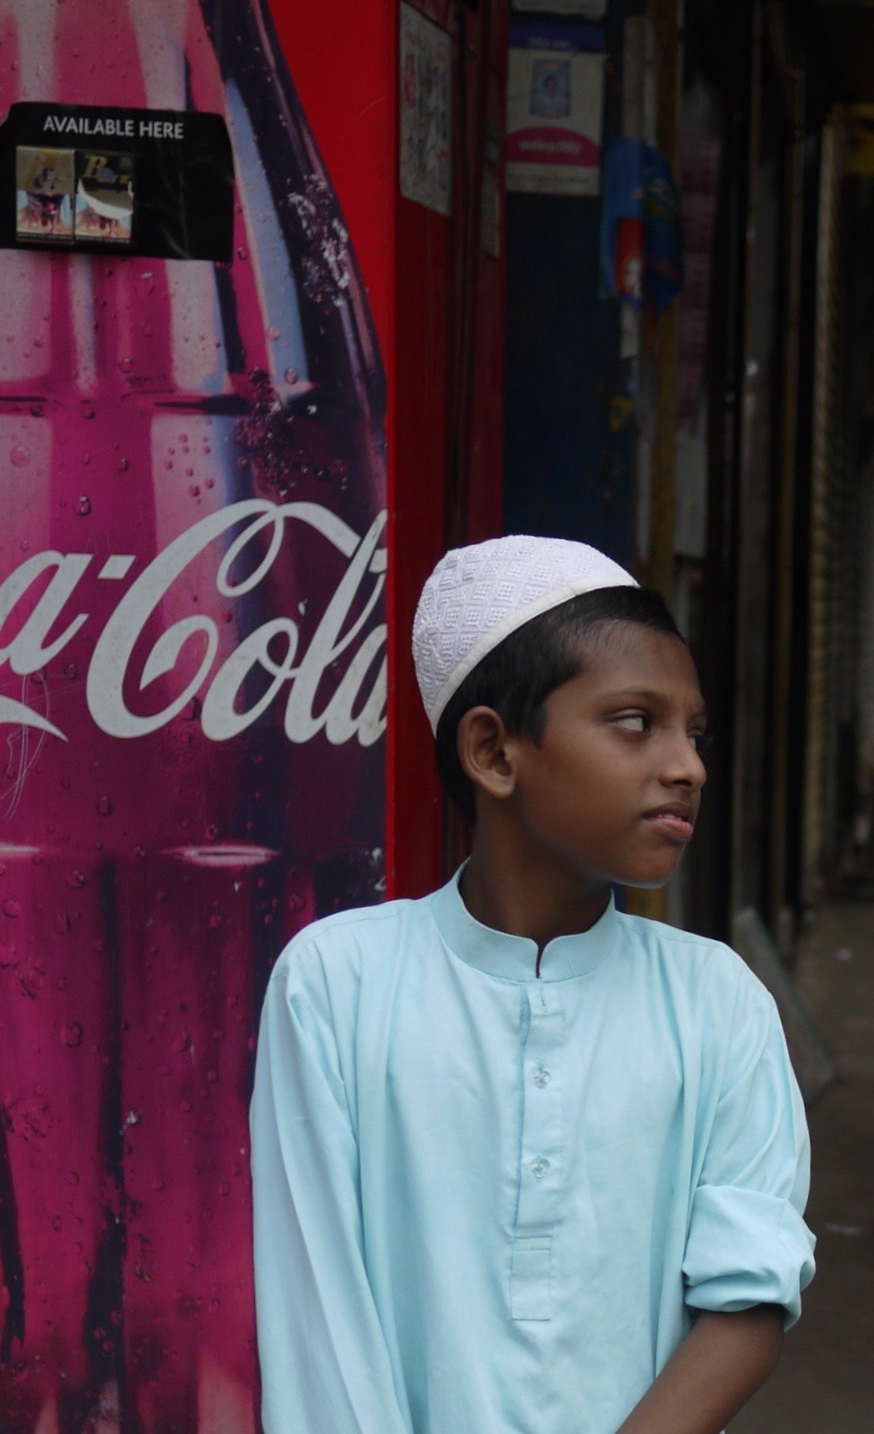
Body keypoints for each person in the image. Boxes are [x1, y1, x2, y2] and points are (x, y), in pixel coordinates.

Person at [249, 537, 816, 1434]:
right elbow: (318, 1319)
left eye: (694, 732)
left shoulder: (717, 1001)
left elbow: (748, 1296)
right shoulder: (337, 982)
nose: (688, 766)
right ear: (494, 751)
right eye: (636, 722)